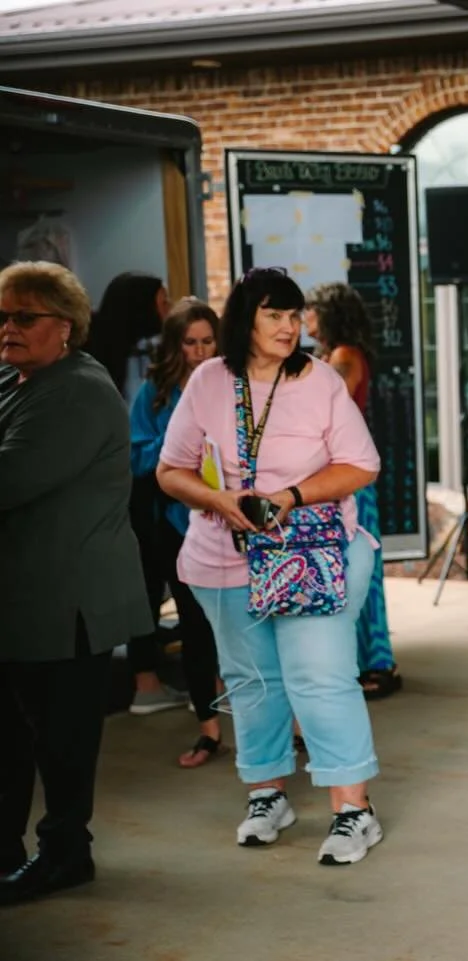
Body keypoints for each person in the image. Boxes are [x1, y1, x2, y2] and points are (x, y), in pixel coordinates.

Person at [156, 267, 386, 866]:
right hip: (224, 556)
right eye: (273, 316)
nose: (289, 327)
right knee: (252, 681)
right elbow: (171, 468)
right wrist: (218, 499)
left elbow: (361, 465)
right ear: (244, 320)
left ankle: (353, 810)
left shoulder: (320, 381)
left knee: (320, 674)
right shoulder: (209, 380)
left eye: (294, 315)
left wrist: (290, 496)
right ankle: (267, 794)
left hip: (310, 552)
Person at [0, 261, 152, 905]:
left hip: (68, 603)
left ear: (65, 327)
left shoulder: (78, 390)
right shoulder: (20, 380)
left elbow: (9, 479)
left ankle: (66, 855)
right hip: (28, 599)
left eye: (23, 317)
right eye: (2, 316)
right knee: (14, 734)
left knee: (61, 742)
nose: (8, 328)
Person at [130, 297, 228, 765]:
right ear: (175, 345)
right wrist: (179, 444)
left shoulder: (234, 383)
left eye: (208, 341)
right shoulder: (154, 393)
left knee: (241, 622)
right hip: (175, 521)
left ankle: (272, 722)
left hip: (232, 518)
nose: (200, 351)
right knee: (192, 622)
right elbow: (136, 457)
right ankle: (208, 730)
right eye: (190, 343)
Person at [90, 270, 187, 713]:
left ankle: (148, 680)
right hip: (138, 491)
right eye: (162, 302)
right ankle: (147, 684)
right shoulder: (137, 364)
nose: (166, 311)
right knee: (148, 585)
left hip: (120, 490)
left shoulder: (98, 355)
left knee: (143, 586)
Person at [303, 283, 401, 699]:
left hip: (349, 480)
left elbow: (329, 409)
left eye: (309, 311)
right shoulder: (334, 355)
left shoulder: (344, 357)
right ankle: (362, 660)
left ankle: (376, 663)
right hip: (338, 475)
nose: (303, 319)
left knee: (360, 570)